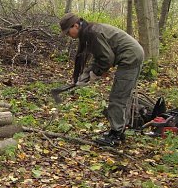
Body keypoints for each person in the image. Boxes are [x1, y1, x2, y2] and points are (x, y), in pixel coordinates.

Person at [59, 12, 145, 147]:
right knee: (122, 96)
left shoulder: (92, 33)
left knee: (118, 97)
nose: (69, 36)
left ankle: (116, 135)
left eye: (68, 32)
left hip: (130, 57)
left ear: (75, 25)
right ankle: (119, 130)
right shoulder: (89, 31)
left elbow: (106, 59)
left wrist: (97, 73)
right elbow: (100, 57)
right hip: (131, 55)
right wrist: (88, 74)